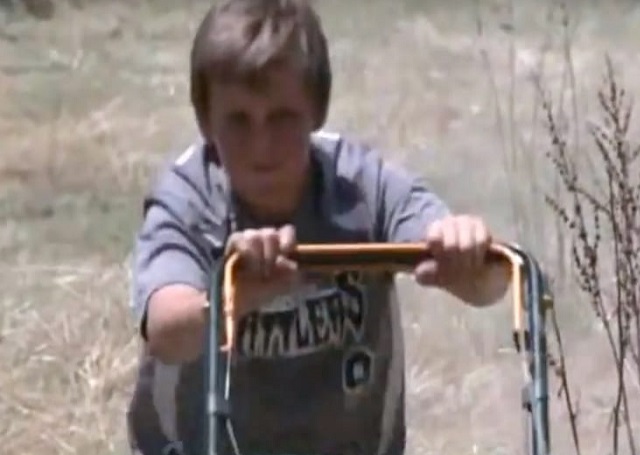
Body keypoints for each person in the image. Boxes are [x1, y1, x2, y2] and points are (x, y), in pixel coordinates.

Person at [126, 1, 511, 454]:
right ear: (206, 121)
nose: (261, 144)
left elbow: (492, 284)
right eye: (239, 121)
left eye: (282, 118)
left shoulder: (361, 184)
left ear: (317, 109)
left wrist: (466, 256)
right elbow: (168, 333)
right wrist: (238, 293)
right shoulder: (188, 197)